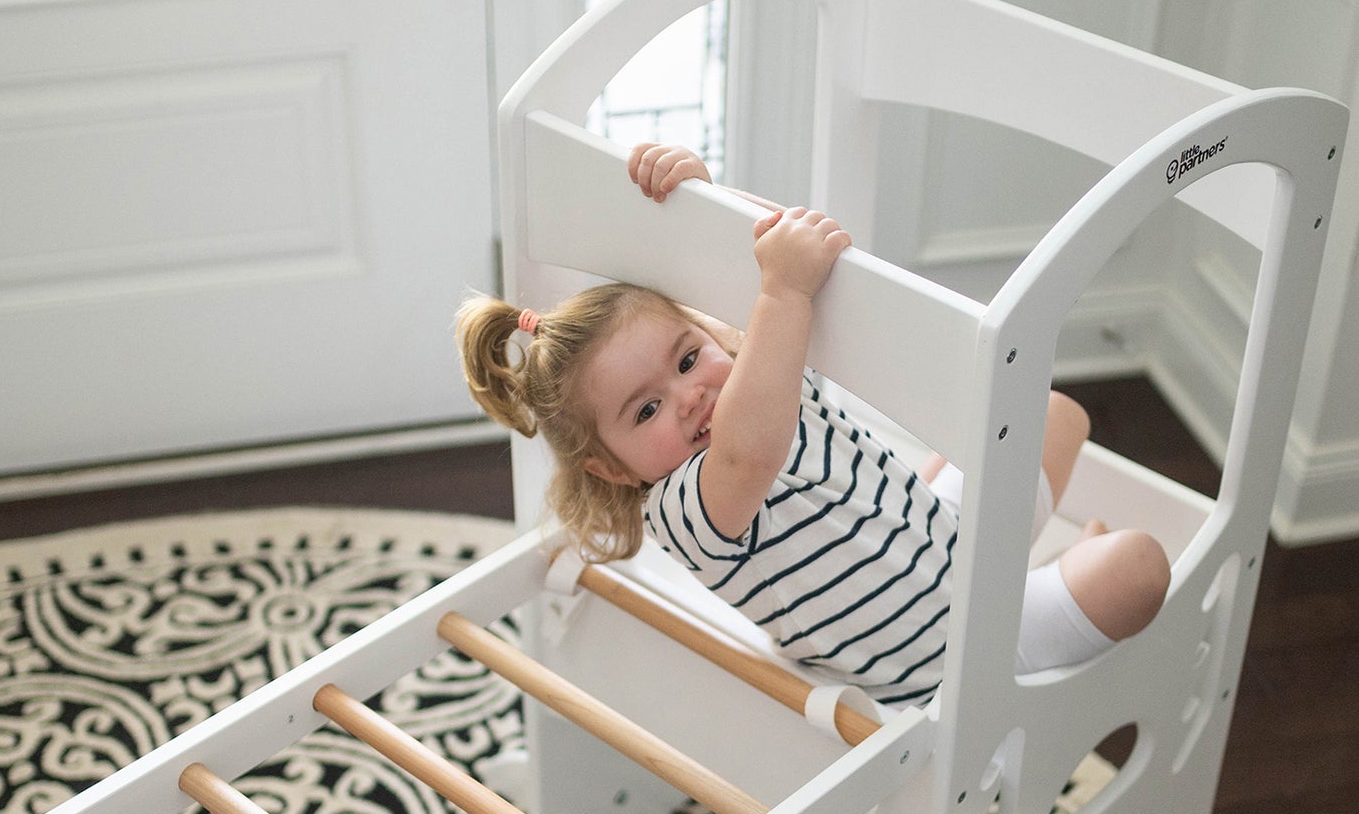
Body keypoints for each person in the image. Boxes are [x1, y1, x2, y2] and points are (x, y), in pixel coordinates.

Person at [456, 144, 1170, 709]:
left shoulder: (757, 367)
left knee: (1054, 414)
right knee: (1138, 566)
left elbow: (807, 247)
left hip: (944, 536)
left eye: (685, 357)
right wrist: (780, 288)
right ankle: (1052, 581)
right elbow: (749, 447)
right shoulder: (689, 510)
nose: (687, 397)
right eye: (644, 410)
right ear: (613, 469)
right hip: (961, 651)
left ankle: (1023, 557)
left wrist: (704, 207)